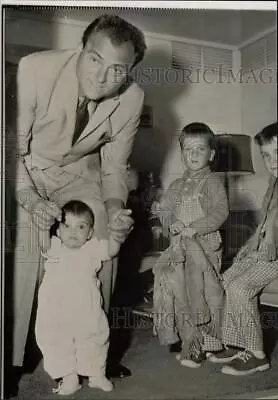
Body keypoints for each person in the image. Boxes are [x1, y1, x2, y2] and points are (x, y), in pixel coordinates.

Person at [6, 14, 146, 394]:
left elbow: (115, 168)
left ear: (130, 71)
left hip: (78, 178)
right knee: (25, 243)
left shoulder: (132, 98)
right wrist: (30, 198)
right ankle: (11, 357)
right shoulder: (36, 69)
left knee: (103, 228)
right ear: (81, 50)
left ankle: (95, 353)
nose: (102, 77)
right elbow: (11, 150)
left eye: (117, 69)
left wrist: (116, 210)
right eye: (95, 59)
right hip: (24, 170)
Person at [152, 122, 229, 368]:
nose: (194, 155)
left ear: (211, 154)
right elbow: (164, 212)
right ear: (182, 153)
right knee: (180, 294)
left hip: (204, 249)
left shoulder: (214, 182)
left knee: (205, 294)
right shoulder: (176, 186)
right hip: (180, 249)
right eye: (188, 150)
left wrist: (195, 227)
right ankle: (190, 343)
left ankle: (210, 344)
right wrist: (170, 221)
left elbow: (221, 212)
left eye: (200, 149)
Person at [207, 121, 278, 376]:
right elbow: (266, 222)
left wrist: (268, 245)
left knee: (240, 287)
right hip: (267, 250)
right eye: (267, 155)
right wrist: (250, 245)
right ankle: (237, 343)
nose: (272, 162)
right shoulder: (274, 182)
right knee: (225, 279)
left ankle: (257, 355)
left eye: (277, 153)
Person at [35, 200, 128, 395]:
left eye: (81, 227)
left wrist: (116, 234)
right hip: (56, 307)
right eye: (66, 225)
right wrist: (45, 224)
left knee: (94, 336)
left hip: (86, 305)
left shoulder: (92, 248)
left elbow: (111, 251)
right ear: (58, 230)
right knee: (57, 339)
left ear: (90, 233)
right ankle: (68, 376)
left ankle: (96, 374)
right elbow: (42, 244)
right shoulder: (54, 246)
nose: (73, 232)